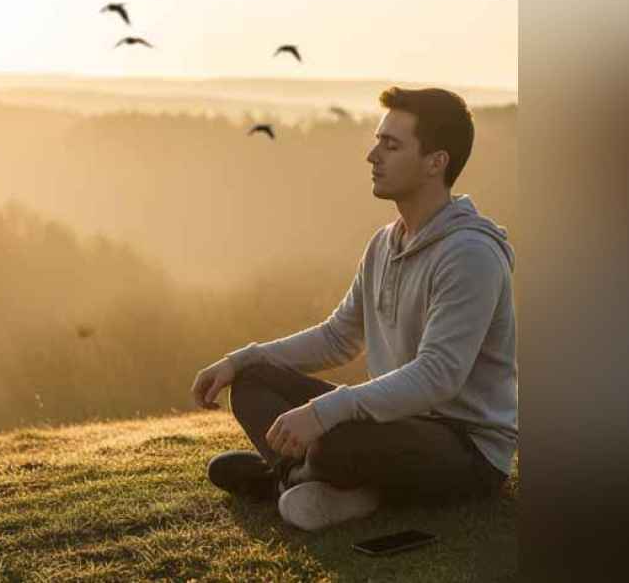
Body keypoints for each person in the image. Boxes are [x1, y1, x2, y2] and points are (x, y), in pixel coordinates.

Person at [190, 87, 517, 532]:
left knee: (339, 439)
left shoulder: (470, 255)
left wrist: (324, 412)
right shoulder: (384, 244)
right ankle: (319, 484)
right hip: (394, 424)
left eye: (391, 145)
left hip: (465, 447)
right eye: (377, 140)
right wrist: (240, 359)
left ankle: (291, 478)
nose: (372, 156)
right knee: (253, 380)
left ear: (435, 162)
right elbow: (338, 338)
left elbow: (439, 375)